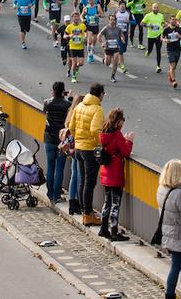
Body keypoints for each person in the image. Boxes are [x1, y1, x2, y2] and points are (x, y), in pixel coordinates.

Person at [68, 82, 105, 226]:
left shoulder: (79, 106)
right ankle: (88, 214)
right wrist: (100, 145)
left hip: (78, 148)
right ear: (100, 94)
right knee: (90, 183)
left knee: (82, 180)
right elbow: (95, 130)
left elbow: (71, 126)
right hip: (90, 149)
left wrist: (78, 139)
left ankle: (85, 212)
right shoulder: (97, 109)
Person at [156, 158, 181, 299]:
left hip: (168, 230)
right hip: (180, 233)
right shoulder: (179, 193)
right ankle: (170, 293)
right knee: (176, 266)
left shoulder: (161, 188)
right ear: (177, 174)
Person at [97, 107, 135, 241]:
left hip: (105, 171)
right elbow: (125, 153)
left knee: (107, 202)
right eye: (122, 120)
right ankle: (114, 232)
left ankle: (103, 228)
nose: (123, 123)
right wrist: (129, 141)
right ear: (118, 121)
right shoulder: (117, 134)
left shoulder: (104, 133)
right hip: (115, 172)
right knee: (115, 203)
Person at [42, 81, 71, 204]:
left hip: (49, 138)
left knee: (50, 166)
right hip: (61, 139)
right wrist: (68, 97)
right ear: (63, 91)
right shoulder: (67, 104)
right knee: (60, 168)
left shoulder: (47, 103)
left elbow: (45, 111)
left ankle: (50, 193)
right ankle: (57, 194)